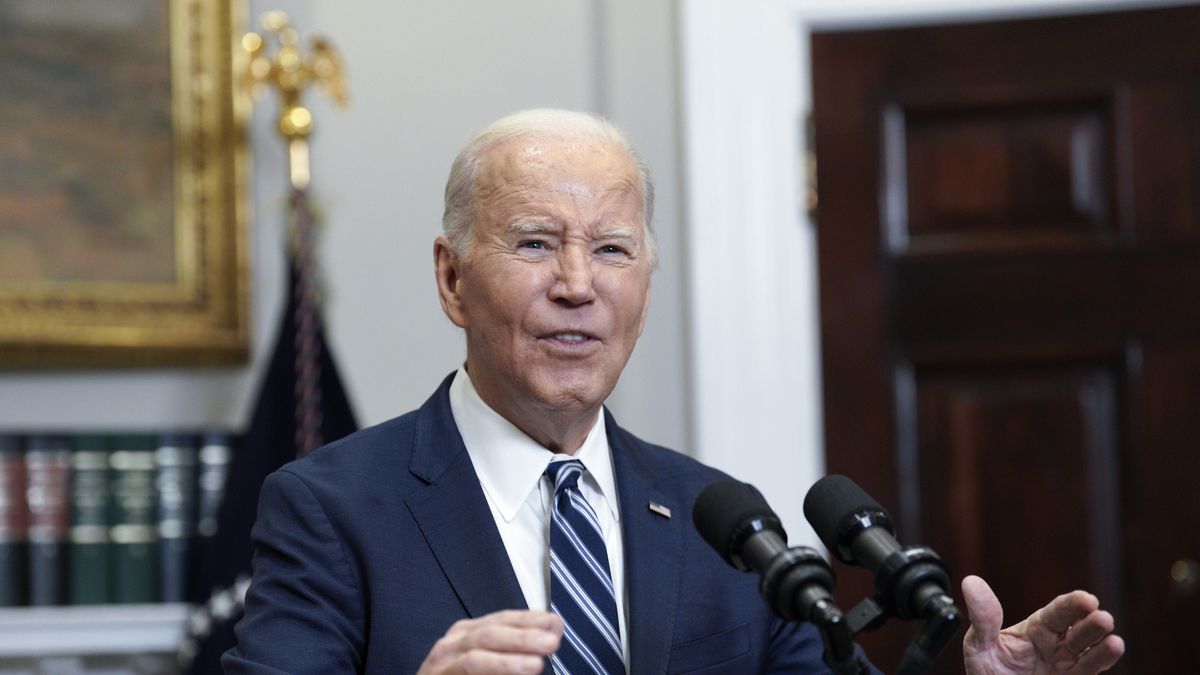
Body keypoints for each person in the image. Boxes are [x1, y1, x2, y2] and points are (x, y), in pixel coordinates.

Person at [223, 109, 1125, 674]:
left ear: (645, 290)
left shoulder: (722, 522)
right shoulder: (329, 508)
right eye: (535, 243)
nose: (578, 284)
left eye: (612, 249)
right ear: (452, 279)